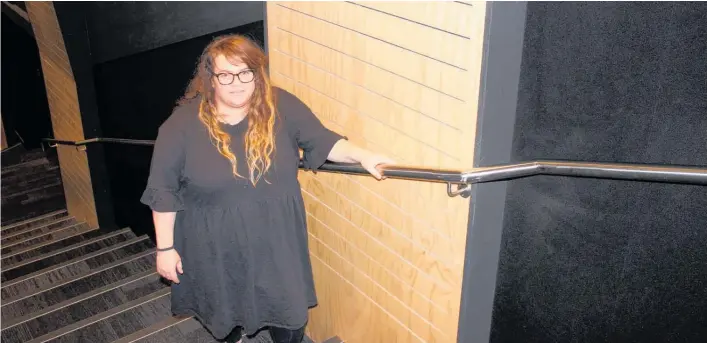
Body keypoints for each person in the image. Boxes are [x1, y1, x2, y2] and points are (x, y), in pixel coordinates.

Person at [140, 34, 394, 343]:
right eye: (226, 74)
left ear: (257, 73)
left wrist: (365, 156)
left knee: (287, 315)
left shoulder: (280, 105)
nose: (237, 82)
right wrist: (165, 249)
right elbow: (163, 192)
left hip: (277, 238)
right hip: (215, 243)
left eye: (245, 72)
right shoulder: (180, 126)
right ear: (210, 78)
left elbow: (322, 140)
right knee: (226, 311)